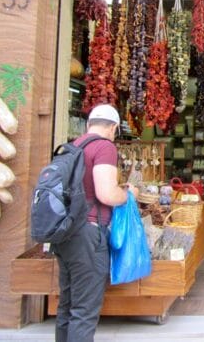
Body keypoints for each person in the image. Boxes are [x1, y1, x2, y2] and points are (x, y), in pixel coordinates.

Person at [52, 104, 138, 342]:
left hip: (65, 232)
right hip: (88, 233)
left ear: (89, 124)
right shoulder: (104, 147)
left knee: (67, 306)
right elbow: (106, 194)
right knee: (84, 311)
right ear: (113, 128)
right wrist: (128, 194)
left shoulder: (71, 147)